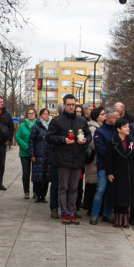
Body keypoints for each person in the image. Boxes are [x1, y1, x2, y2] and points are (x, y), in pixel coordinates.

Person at [46, 94, 89, 224]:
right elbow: (49, 137)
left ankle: (72, 211)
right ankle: (64, 212)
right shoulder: (57, 121)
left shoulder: (81, 121)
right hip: (62, 159)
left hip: (77, 159)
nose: (71, 107)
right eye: (69, 104)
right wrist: (62, 140)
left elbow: (88, 134)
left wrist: (86, 140)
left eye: (73, 105)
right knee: (63, 187)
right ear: (64, 105)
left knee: (74, 188)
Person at [106, 119, 134, 228]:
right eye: (125, 127)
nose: (128, 129)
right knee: (117, 195)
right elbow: (108, 159)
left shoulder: (131, 142)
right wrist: (109, 172)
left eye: (128, 127)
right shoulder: (111, 142)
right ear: (118, 129)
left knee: (127, 196)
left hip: (128, 172)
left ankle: (125, 218)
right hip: (117, 172)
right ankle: (117, 218)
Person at [91, 109, 117, 224]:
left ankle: (107, 213)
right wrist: (115, 153)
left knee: (110, 191)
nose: (118, 120)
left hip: (115, 165)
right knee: (101, 189)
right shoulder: (100, 131)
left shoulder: (117, 130)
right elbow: (100, 148)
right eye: (116, 118)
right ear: (109, 118)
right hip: (103, 164)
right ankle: (94, 215)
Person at [82, 106, 104, 217]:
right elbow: (93, 144)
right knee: (92, 184)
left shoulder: (101, 127)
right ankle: (90, 208)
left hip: (98, 161)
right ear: (97, 116)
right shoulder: (92, 128)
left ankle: (95, 208)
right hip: (93, 160)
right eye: (102, 114)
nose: (104, 116)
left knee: (96, 184)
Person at [29, 107, 54, 204]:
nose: (46, 116)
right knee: (38, 177)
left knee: (46, 177)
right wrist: (32, 154)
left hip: (48, 155)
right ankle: (37, 195)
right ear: (40, 116)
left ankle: (43, 196)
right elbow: (31, 141)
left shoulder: (51, 127)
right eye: (44, 114)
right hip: (38, 155)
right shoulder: (36, 126)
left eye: (47, 114)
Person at [16, 107, 37, 199]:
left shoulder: (38, 125)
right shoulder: (22, 126)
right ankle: (26, 191)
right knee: (26, 172)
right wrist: (27, 147)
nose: (31, 114)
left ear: (35, 114)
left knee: (36, 173)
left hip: (36, 153)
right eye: (29, 113)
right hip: (25, 153)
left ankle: (36, 191)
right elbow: (18, 137)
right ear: (27, 115)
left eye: (32, 113)